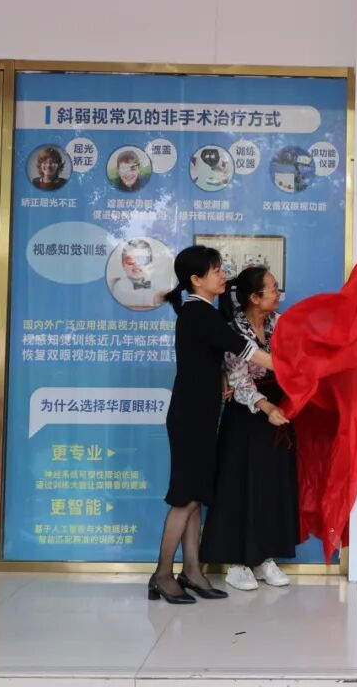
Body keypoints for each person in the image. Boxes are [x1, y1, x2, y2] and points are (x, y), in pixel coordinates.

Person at [148, 245, 278, 604]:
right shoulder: (198, 314)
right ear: (196, 279)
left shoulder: (203, 311)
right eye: (217, 270)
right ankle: (162, 574)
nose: (223, 275)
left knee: (195, 497)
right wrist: (297, 368)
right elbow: (247, 351)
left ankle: (192, 571)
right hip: (190, 418)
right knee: (184, 499)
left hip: (203, 416)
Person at [200, 266, 298, 591]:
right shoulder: (233, 330)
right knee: (239, 487)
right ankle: (236, 562)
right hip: (245, 415)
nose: (278, 293)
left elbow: (297, 361)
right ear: (255, 298)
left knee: (271, 486)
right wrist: (266, 408)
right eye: (272, 288)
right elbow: (239, 382)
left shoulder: (280, 324)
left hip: (278, 411)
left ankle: (264, 556)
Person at [110, 239, 168, 310]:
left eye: (142, 260)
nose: (137, 264)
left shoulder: (153, 282)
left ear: (150, 263)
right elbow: (130, 297)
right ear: (123, 264)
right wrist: (155, 297)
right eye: (130, 260)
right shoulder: (120, 285)